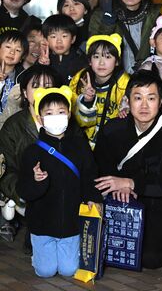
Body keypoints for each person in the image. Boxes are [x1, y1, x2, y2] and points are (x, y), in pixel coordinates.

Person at [93, 70, 162, 269]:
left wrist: (131, 183)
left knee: (150, 258)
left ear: (161, 102)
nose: (144, 105)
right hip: (119, 200)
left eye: (151, 98)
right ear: (127, 101)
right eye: (138, 98)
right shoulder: (112, 129)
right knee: (105, 251)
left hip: (158, 201)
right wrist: (118, 186)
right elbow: (100, 167)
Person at [17, 86, 103, 278]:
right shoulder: (32, 151)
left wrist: (93, 198)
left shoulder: (80, 146)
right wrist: (37, 180)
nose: (56, 117)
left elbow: (90, 175)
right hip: (42, 225)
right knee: (45, 272)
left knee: (69, 270)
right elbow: (23, 190)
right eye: (49, 113)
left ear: (69, 114)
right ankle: (38, 255)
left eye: (61, 112)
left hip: (71, 224)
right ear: (39, 118)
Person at [0, 65, 61, 245]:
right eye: (35, 86)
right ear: (25, 93)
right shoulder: (13, 126)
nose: (42, 91)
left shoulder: (66, 123)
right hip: (29, 196)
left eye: (48, 87)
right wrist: (22, 194)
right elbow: (6, 170)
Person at [89, 0, 162, 73]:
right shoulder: (101, 15)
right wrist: (108, 22)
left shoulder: (156, 18)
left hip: (145, 78)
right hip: (114, 78)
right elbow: (94, 49)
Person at [69, 34, 130, 149]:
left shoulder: (125, 83)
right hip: (84, 143)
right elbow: (78, 122)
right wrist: (87, 101)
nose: (101, 63)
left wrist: (127, 112)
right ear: (90, 61)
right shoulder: (80, 80)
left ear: (117, 61)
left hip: (113, 144)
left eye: (108, 57)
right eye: (96, 57)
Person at [39, 14, 87, 84]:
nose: (59, 41)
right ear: (46, 40)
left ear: (73, 39)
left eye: (64, 36)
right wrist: (43, 67)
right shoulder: (42, 60)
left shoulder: (81, 60)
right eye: (53, 36)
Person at [0, 30, 28, 113]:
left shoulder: (24, 78)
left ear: (22, 57)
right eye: (8, 47)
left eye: (18, 50)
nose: (12, 52)